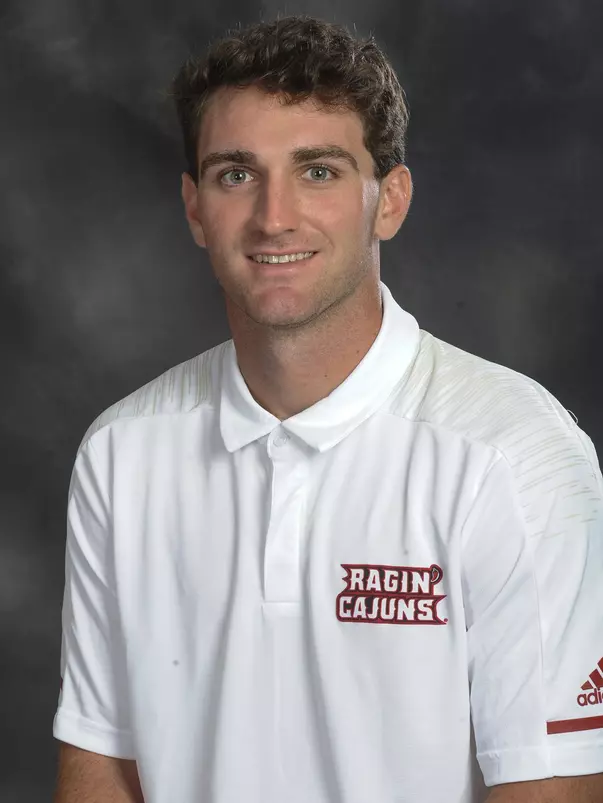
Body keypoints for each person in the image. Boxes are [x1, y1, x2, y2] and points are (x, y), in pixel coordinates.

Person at [52, 14, 603, 803]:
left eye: (317, 171)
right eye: (236, 174)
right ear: (194, 208)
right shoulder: (122, 451)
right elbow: (101, 764)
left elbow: (552, 789)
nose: (274, 216)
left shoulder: (514, 455)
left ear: (389, 201)